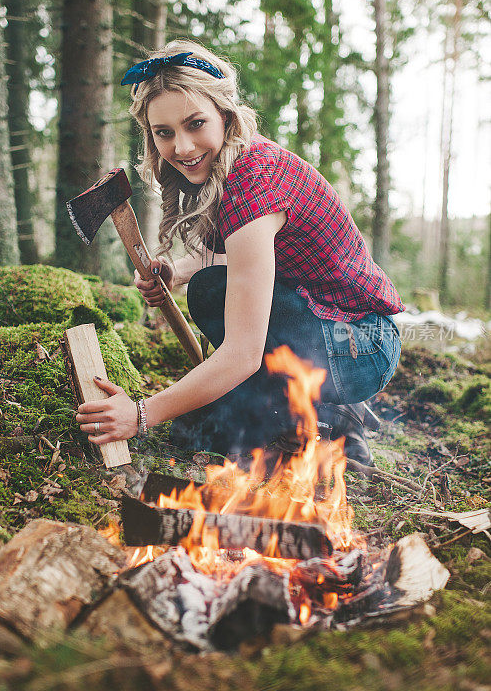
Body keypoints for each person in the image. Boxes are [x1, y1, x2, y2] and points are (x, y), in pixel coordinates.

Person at [76, 40, 404, 467]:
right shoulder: (234, 162)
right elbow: (243, 256)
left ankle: (326, 414)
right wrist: (175, 271)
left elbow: (244, 353)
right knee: (198, 412)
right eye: (164, 132)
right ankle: (310, 411)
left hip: (358, 345)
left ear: (226, 116)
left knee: (210, 303)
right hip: (325, 325)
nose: (183, 147)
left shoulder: (254, 184)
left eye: (196, 123)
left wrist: (141, 414)